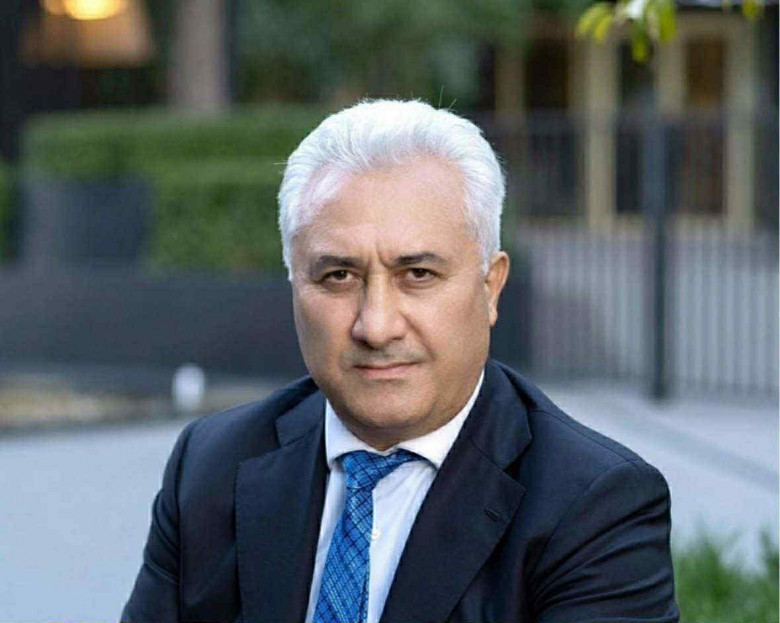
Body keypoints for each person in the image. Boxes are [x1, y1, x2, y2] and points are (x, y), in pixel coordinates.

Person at [121, 100, 678, 622]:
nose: (376, 325)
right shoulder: (211, 466)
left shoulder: (594, 507)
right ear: (293, 284)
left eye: (418, 275)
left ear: (490, 287)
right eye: (339, 276)